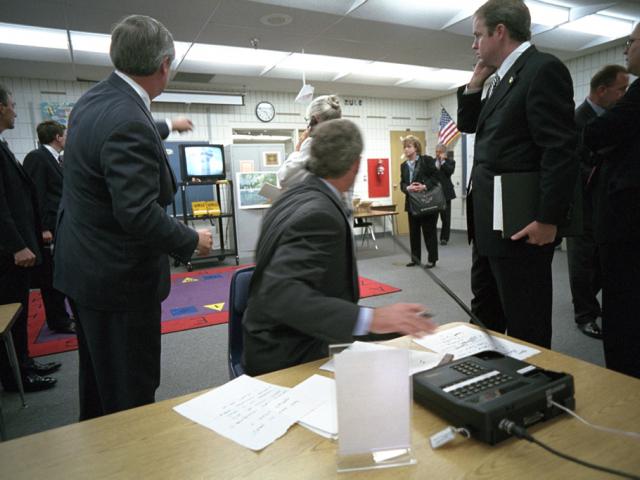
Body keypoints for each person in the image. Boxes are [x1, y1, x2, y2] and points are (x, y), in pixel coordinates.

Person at [53, 15, 212, 420]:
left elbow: (122, 133)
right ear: (164, 65)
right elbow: (138, 212)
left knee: (99, 384)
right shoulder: (128, 120)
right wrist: (191, 240)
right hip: (118, 280)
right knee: (130, 394)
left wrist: (167, 125)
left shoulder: (93, 101)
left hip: (84, 269)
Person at [242, 119, 436, 376]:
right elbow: (281, 295)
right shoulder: (320, 214)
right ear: (355, 164)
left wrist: (377, 323)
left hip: (279, 339)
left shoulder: (290, 195)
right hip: (290, 356)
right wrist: (373, 319)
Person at [456, 0, 578, 348]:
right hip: (488, 223)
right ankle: (488, 383)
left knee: (525, 320)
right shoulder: (499, 78)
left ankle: (533, 394)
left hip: (520, 224)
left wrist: (548, 219)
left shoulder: (542, 70)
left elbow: (559, 150)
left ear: (500, 31)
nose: (474, 44)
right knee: (486, 310)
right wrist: (475, 84)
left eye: (478, 35)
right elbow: (469, 126)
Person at [583, 24, 640, 378]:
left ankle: (623, 389)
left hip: (627, 227)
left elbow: (596, 133)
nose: (625, 49)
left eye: (631, 42)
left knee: (622, 312)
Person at [0, 84, 60, 392]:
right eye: (11, 103)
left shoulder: (3, 145)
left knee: (20, 309)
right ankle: (15, 376)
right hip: (9, 252)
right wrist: (18, 244)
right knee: (10, 312)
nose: (15, 109)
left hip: (20, 247)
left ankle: (24, 362)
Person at [567, 65, 629, 340]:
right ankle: (585, 315)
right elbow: (571, 164)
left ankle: (589, 304)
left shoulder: (615, 119)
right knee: (582, 262)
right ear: (602, 90)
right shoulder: (577, 121)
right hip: (582, 205)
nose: (624, 95)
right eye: (621, 89)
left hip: (608, 206)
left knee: (602, 261)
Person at [23, 120, 75, 334]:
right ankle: (58, 320)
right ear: (57, 137)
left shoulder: (58, 160)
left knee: (63, 273)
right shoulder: (37, 158)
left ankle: (63, 316)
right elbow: (36, 196)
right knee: (52, 278)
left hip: (61, 227)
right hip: (49, 230)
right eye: (65, 134)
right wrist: (44, 228)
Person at [277, 94, 341, 189]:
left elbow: (283, 179)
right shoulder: (343, 145)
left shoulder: (313, 146)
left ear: (314, 120)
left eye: (307, 120)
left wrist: (297, 150)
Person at [400, 135, 440, 268]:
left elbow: (436, 177)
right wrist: (407, 188)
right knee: (414, 232)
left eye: (408, 146)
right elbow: (402, 183)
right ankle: (415, 259)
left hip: (427, 201)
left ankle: (432, 259)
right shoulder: (403, 166)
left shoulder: (426, 160)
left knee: (429, 232)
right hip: (412, 203)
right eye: (404, 147)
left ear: (416, 148)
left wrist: (425, 186)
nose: (406, 149)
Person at [434, 143, 456, 246]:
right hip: (434, 194)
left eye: (439, 152)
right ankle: (432, 237)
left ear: (444, 153)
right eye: (436, 152)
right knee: (433, 217)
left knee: (446, 218)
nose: (437, 154)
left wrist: (442, 161)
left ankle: (444, 238)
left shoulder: (450, 162)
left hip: (446, 193)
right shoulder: (432, 162)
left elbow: (449, 172)